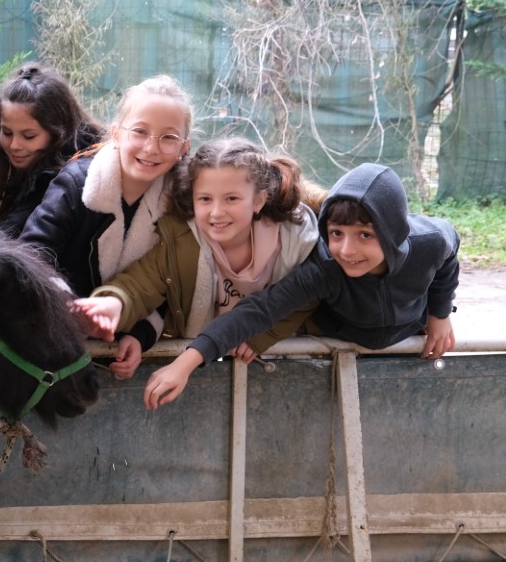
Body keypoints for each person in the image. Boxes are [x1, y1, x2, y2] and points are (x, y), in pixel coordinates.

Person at [139, 162, 461, 409]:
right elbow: (261, 309)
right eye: (336, 233)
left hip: (407, 330)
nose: (347, 251)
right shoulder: (325, 268)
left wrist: (440, 314)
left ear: (393, 232)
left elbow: (449, 257)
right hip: (339, 332)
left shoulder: (429, 242)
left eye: (365, 235)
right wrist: (185, 362)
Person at [72, 136, 323, 379]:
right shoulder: (183, 240)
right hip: (204, 360)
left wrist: (263, 336)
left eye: (231, 199)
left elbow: (306, 300)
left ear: (258, 200)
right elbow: (140, 283)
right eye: (205, 199)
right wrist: (112, 305)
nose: (216, 212)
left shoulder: (294, 243)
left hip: (275, 366)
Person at [21, 75, 195, 354]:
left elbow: (166, 284)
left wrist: (141, 335)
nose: (151, 148)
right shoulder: (77, 184)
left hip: (122, 351)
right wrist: (72, 311)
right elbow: (32, 253)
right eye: (140, 131)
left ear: (183, 149)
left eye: (168, 138)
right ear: (116, 134)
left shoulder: (179, 206)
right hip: (56, 340)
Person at [0, 63, 104, 239]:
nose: (14, 145)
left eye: (29, 136)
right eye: (7, 132)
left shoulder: (71, 176)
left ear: (58, 132)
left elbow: (9, 234)